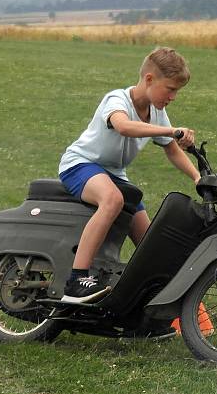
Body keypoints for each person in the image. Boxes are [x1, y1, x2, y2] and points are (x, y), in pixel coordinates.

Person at [58, 47, 200, 302]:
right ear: (149, 79)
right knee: (113, 200)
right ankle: (76, 280)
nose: (173, 97)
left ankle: (150, 298)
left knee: (149, 239)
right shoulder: (117, 100)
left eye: (177, 91)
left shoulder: (157, 111)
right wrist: (170, 130)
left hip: (114, 174)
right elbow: (123, 126)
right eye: (170, 89)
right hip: (81, 164)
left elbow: (172, 150)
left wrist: (198, 178)